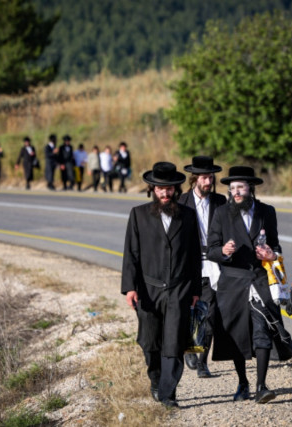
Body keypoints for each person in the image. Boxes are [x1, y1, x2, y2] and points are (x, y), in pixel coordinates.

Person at [121, 162, 202, 409]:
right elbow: (131, 253)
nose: (165, 194)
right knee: (150, 342)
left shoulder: (188, 215)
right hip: (148, 288)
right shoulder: (138, 214)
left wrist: (196, 290)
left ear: (176, 188)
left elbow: (194, 254)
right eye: (160, 189)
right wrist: (130, 288)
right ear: (152, 189)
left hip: (179, 289)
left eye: (169, 189)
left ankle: (169, 393)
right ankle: (156, 381)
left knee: (174, 342)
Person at [207, 166, 283, 404]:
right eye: (232, 188)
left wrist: (271, 254)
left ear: (251, 188)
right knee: (236, 335)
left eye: (240, 187)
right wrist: (223, 251)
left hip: (260, 280)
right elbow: (211, 250)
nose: (236, 192)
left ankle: (261, 386)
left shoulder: (266, 212)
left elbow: (276, 246)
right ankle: (243, 382)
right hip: (233, 281)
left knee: (263, 331)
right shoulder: (221, 213)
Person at [178, 156, 227, 378]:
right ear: (194, 178)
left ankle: (202, 362)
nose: (209, 181)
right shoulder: (181, 202)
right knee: (190, 312)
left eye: (211, 177)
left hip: (214, 263)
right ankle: (189, 348)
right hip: (190, 264)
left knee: (210, 313)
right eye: (205, 177)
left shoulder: (220, 201)